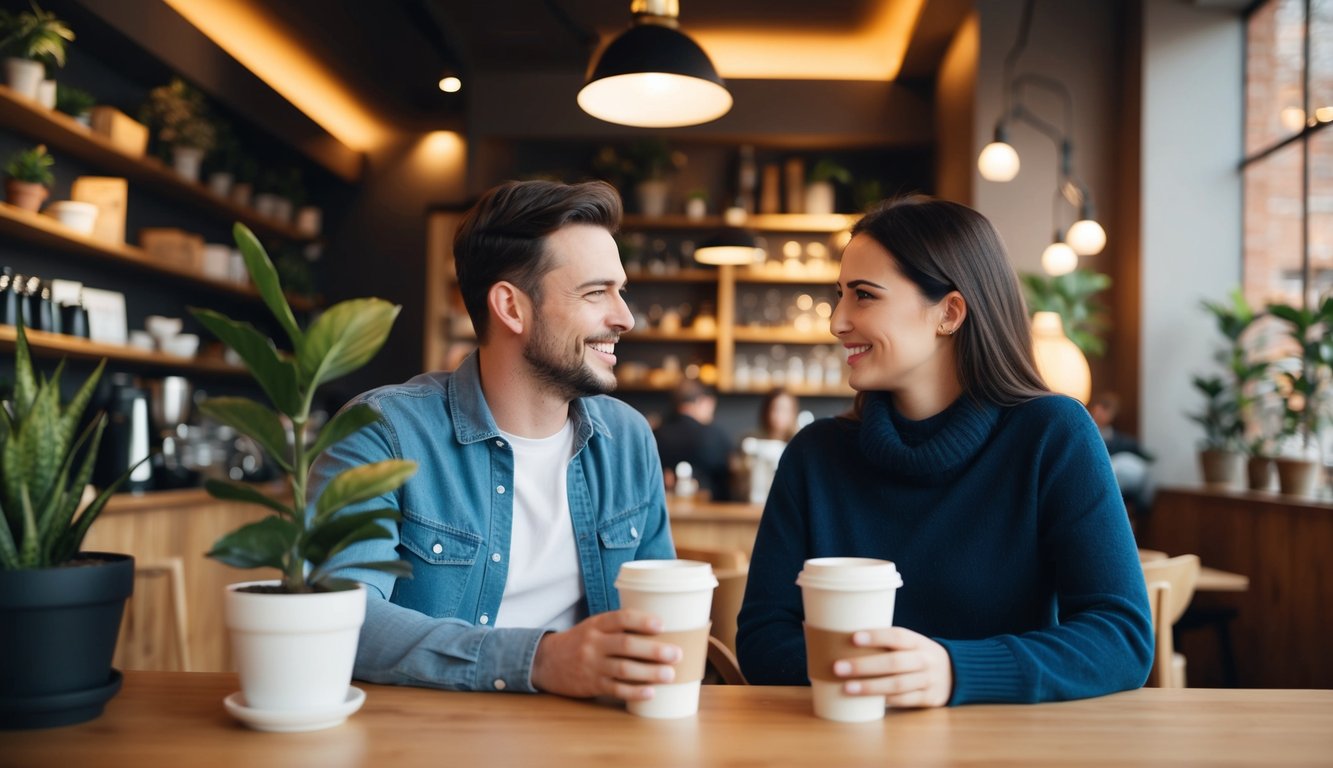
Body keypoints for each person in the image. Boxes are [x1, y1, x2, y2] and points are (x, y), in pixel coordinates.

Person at [736, 195, 1152, 707]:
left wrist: (955, 671)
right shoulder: (815, 455)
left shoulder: (1052, 436)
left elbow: (1120, 638)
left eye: (863, 295)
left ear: (949, 313)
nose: (837, 321)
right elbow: (762, 639)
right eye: (839, 295)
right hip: (842, 744)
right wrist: (882, 677)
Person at [310, 180, 681, 702]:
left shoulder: (627, 439)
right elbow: (340, 616)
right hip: (428, 739)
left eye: (622, 292)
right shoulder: (383, 433)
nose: (625, 317)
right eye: (597, 293)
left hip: (596, 736)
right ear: (511, 307)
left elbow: (661, 607)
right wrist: (538, 660)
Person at [653, 379, 734, 501]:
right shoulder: (714, 435)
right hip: (711, 512)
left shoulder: (655, 434)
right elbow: (729, 475)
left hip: (665, 509)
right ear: (701, 401)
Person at [1088, 391, 1154, 512]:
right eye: (1100, 409)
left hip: (1120, 496)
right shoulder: (1084, 438)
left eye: (1107, 410)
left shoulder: (1125, 443)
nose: (1101, 413)